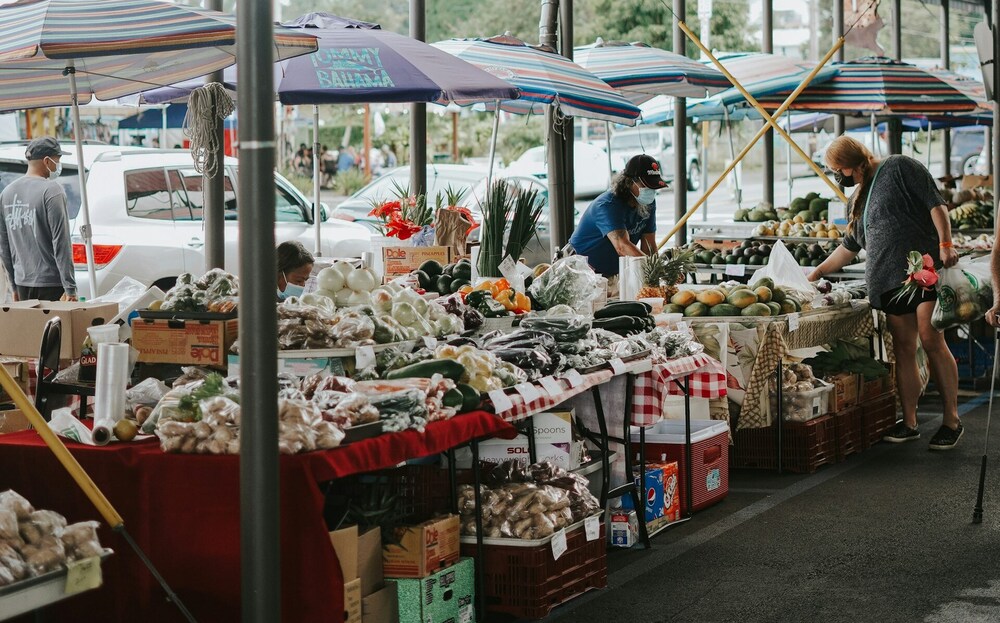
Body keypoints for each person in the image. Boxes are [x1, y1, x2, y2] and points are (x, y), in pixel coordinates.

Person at [807, 135, 962, 450]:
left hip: (923, 270)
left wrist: (946, 243)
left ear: (853, 164)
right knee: (903, 348)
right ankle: (909, 422)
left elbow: (936, 203)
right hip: (887, 281)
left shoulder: (899, 167)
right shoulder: (856, 199)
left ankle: (952, 420)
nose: (838, 176)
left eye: (839, 170)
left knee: (930, 339)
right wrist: (818, 272)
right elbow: (849, 247)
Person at [0, 137, 77, 302]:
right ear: (47, 161)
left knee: (29, 321)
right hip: (52, 285)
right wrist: (70, 288)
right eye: (58, 160)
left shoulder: (6, 193)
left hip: (22, 283)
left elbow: (4, 246)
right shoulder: (52, 190)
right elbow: (61, 243)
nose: (58, 165)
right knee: (54, 321)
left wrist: (14, 287)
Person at [567, 154, 666, 278]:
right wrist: (658, 271)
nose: (651, 190)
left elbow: (649, 245)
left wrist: (658, 274)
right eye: (646, 186)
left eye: (654, 187)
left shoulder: (648, 203)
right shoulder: (608, 205)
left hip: (610, 273)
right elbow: (622, 247)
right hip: (580, 271)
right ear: (629, 182)